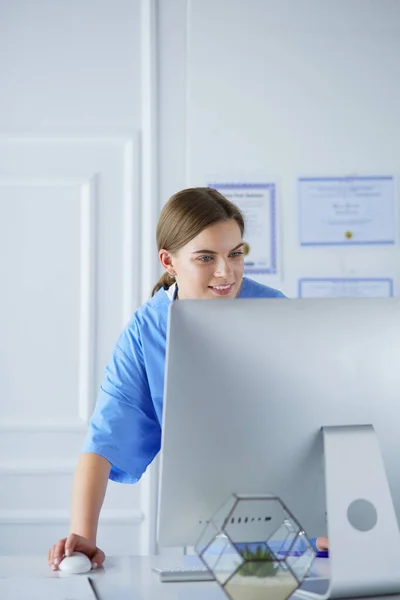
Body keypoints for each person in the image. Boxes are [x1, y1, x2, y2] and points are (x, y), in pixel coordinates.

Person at [47, 187, 328, 570]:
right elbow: (104, 442)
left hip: (302, 521)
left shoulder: (274, 310)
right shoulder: (149, 330)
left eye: (235, 254)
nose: (225, 272)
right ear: (169, 262)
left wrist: (336, 517)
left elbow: (325, 417)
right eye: (205, 258)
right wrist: (83, 538)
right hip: (209, 526)